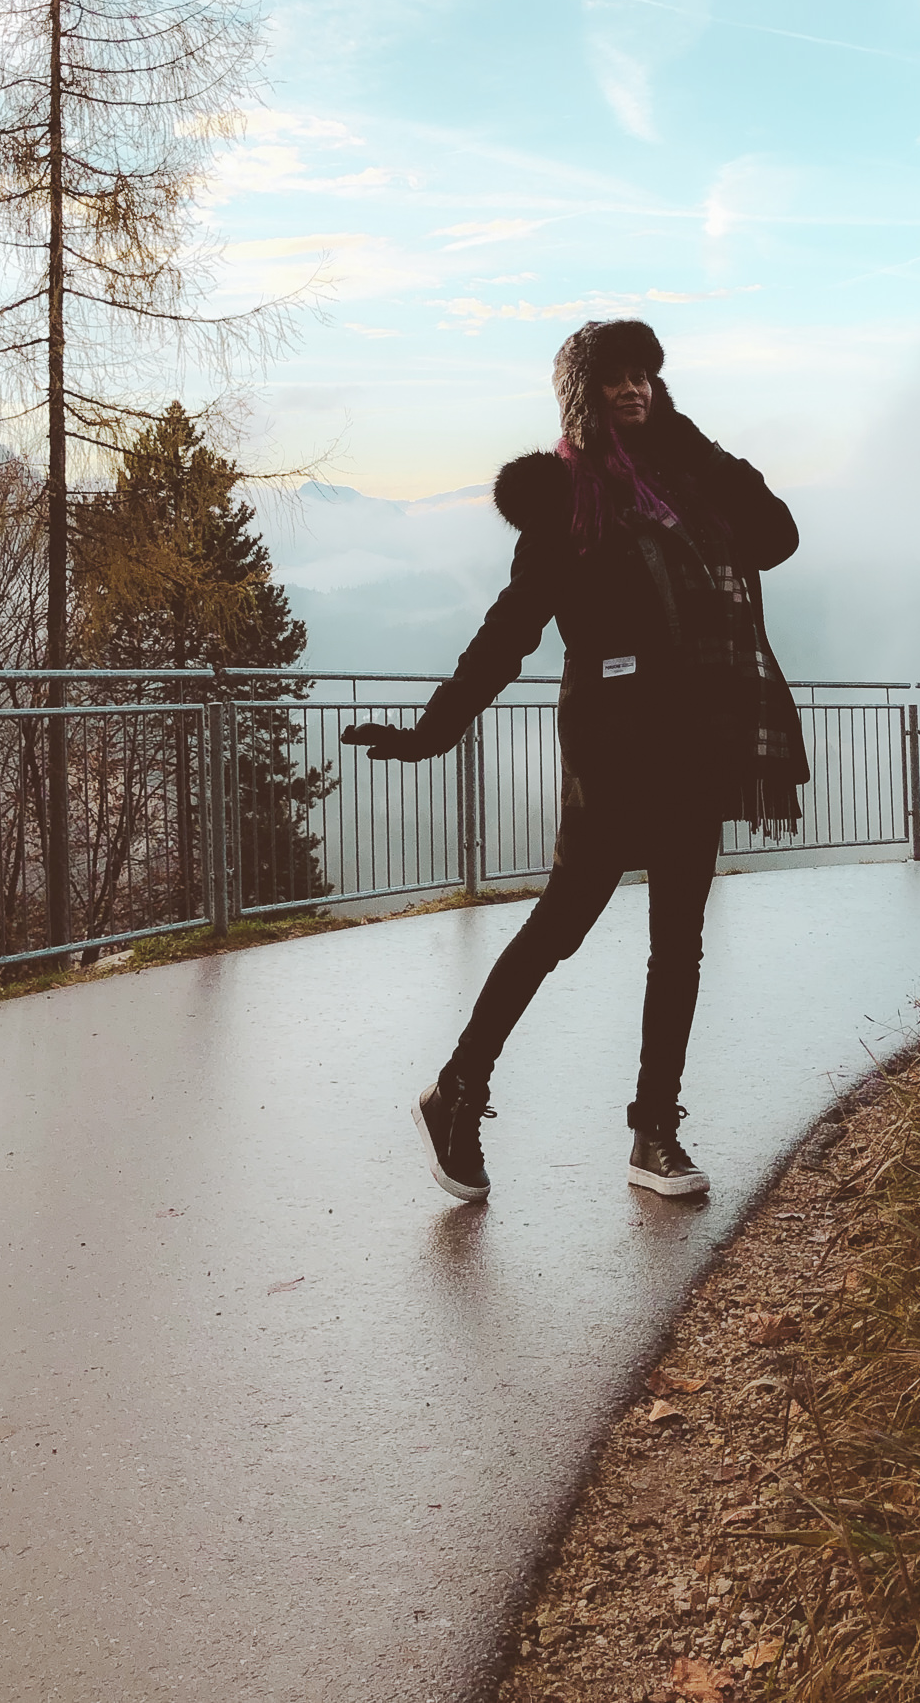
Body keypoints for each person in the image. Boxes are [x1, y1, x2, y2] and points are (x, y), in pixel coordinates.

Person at [342, 319, 808, 1205]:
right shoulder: (566, 500)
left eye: (644, 376)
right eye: (613, 380)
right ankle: (457, 1091)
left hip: (697, 739)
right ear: (581, 398)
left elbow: (777, 535)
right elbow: (512, 628)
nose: (633, 390)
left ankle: (654, 1131)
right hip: (615, 748)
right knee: (561, 925)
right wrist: (432, 729)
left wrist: (700, 448)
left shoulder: (690, 487)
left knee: (679, 945)